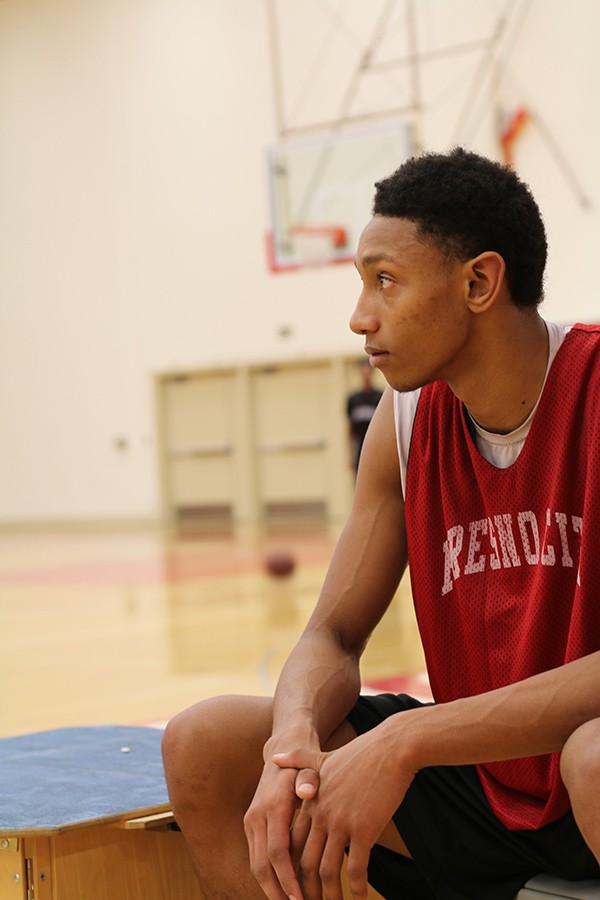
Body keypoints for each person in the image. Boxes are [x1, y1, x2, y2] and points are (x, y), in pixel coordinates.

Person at [162, 147, 600, 900]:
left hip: (582, 764)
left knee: (595, 757)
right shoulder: (400, 425)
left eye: (385, 281)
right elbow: (331, 637)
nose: (360, 316)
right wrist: (291, 738)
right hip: (486, 781)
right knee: (206, 745)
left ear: (479, 282)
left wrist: (411, 737)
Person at [346, 359, 383, 472]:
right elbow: (350, 430)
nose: (366, 375)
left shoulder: (380, 397)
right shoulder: (353, 399)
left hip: (376, 445)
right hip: (360, 445)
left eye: (368, 372)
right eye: (363, 372)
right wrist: (350, 455)